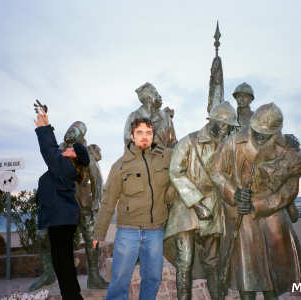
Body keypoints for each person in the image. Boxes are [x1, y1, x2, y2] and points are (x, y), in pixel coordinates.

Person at [211, 103, 301, 300]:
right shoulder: (234, 142)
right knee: (246, 277)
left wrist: (260, 205)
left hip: (272, 216)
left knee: (273, 277)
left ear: (277, 132)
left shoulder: (289, 152)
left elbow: (289, 191)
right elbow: (216, 172)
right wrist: (234, 192)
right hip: (242, 217)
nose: (257, 137)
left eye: (264, 135)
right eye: (255, 132)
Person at [164, 102, 239, 300]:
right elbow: (175, 172)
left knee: (213, 262)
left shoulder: (227, 146)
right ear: (212, 121)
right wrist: (196, 203)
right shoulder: (188, 142)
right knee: (184, 261)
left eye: (229, 126)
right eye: (223, 125)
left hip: (213, 208)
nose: (227, 129)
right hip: (186, 207)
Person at [93, 118, 173, 300]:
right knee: (120, 279)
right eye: (140, 133)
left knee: (153, 278)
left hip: (155, 232)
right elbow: (108, 201)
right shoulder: (120, 166)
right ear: (132, 136)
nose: (145, 137)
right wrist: (99, 233)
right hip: (128, 231)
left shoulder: (165, 158)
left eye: (148, 133)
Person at [34, 108, 90, 300]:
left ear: (74, 156)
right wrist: (47, 125)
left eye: (72, 148)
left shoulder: (65, 167)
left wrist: (45, 128)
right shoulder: (63, 168)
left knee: (62, 262)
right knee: (62, 261)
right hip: (61, 220)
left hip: (61, 221)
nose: (67, 148)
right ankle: (73, 296)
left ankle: (72, 297)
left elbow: (49, 151)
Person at [63, 121, 109, 289]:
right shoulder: (61, 150)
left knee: (91, 239)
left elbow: (98, 180)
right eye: (70, 130)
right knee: (48, 238)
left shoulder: (85, 152)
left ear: (80, 135)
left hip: (84, 206)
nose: (70, 133)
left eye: (75, 131)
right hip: (64, 205)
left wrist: (96, 206)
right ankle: (51, 274)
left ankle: (94, 276)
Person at [123, 82, 177, 148]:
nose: (160, 96)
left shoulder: (166, 117)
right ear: (148, 98)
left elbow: (173, 142)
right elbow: (128, 140)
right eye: (156, 94)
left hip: (164, 157)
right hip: (140, 157)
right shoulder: (134, 116)